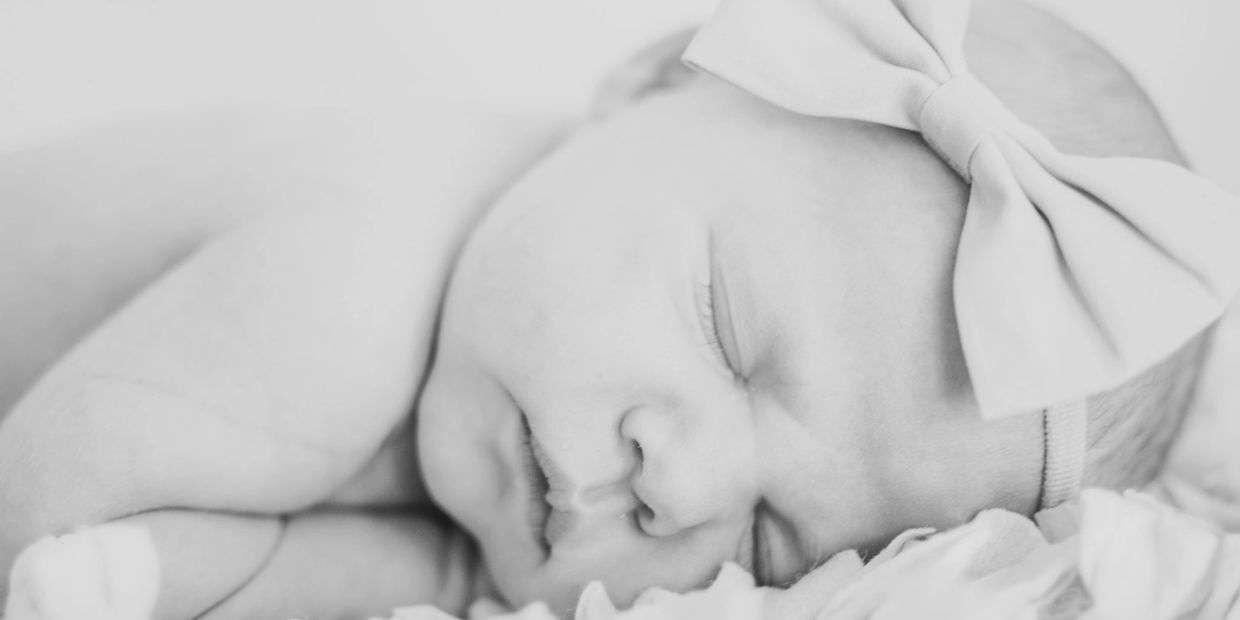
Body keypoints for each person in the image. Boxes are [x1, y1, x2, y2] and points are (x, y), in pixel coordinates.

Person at [0, 0, 1234, 618]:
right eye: (725, 327)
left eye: (767, 544)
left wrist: (440, 566)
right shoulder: (348, 281)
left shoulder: (502, 390)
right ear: (648, 82)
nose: (678, 485)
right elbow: (38, 543)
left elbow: (150, 571)